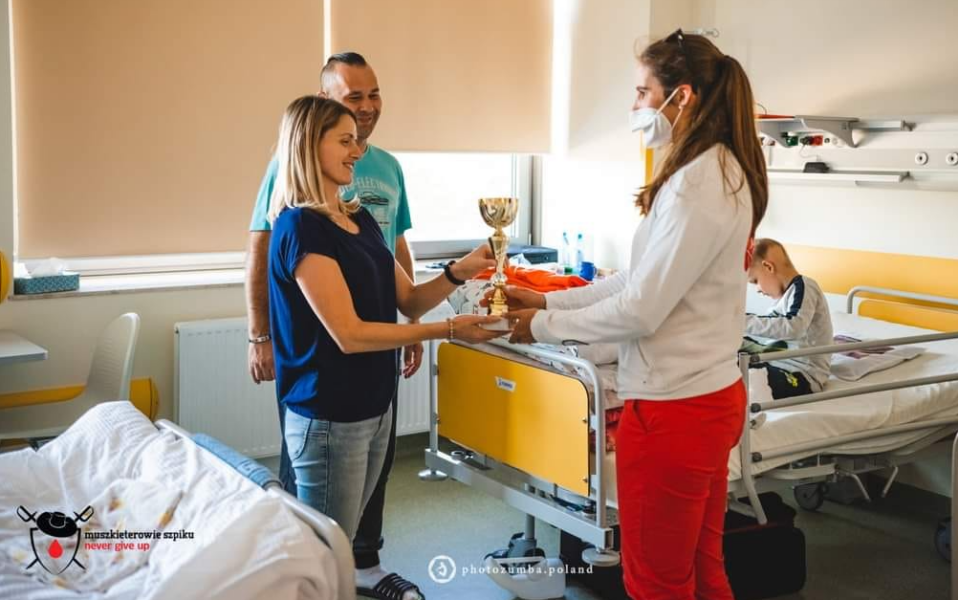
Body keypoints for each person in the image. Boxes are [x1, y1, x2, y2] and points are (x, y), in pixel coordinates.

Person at [501, 30, 769, 600]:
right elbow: (635, 280)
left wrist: (541, 328)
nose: (635, 106)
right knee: (703, 570)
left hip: (676, 411)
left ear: (682, 96)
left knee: (654, 582)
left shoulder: (697, 185)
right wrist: (547, 301)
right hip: (707, 398)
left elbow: (641, 309)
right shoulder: (715, 169)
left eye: (643, 92)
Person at [267, 95, 504, 600]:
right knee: (324, 563)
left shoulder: (360, 220)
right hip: (329, 415)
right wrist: (449, 331)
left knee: (344, 546)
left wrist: (464, 267)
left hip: (375, 405)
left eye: (357, 140)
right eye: (345, 141)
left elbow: (409, 299)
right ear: (308, 145)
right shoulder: (301, 227)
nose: (358, 151)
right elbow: (350, 334)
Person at [245, 53, 423, 598]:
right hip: (327, 377)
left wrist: (417, 313)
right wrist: (260, 334)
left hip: (377, 362)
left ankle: (362, 566)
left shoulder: (373, 187)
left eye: (374, 94)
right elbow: (263, 252)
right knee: (314, 505)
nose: (367, 110)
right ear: (324, 107)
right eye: (353, 99)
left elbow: (395, 251)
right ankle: (306, 574)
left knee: (362, 491)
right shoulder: (296, 209)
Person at [745, 238, 833, 398]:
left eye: (755, 281)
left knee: (751, 377)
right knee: (727, 362)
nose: (757, 289)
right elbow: (767, 329)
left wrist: (741, 321)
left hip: (803, 375)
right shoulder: (782, 301)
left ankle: (749, 396)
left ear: (768, 267)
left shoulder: (805, 286)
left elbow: (793, 327)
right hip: (776, 364)